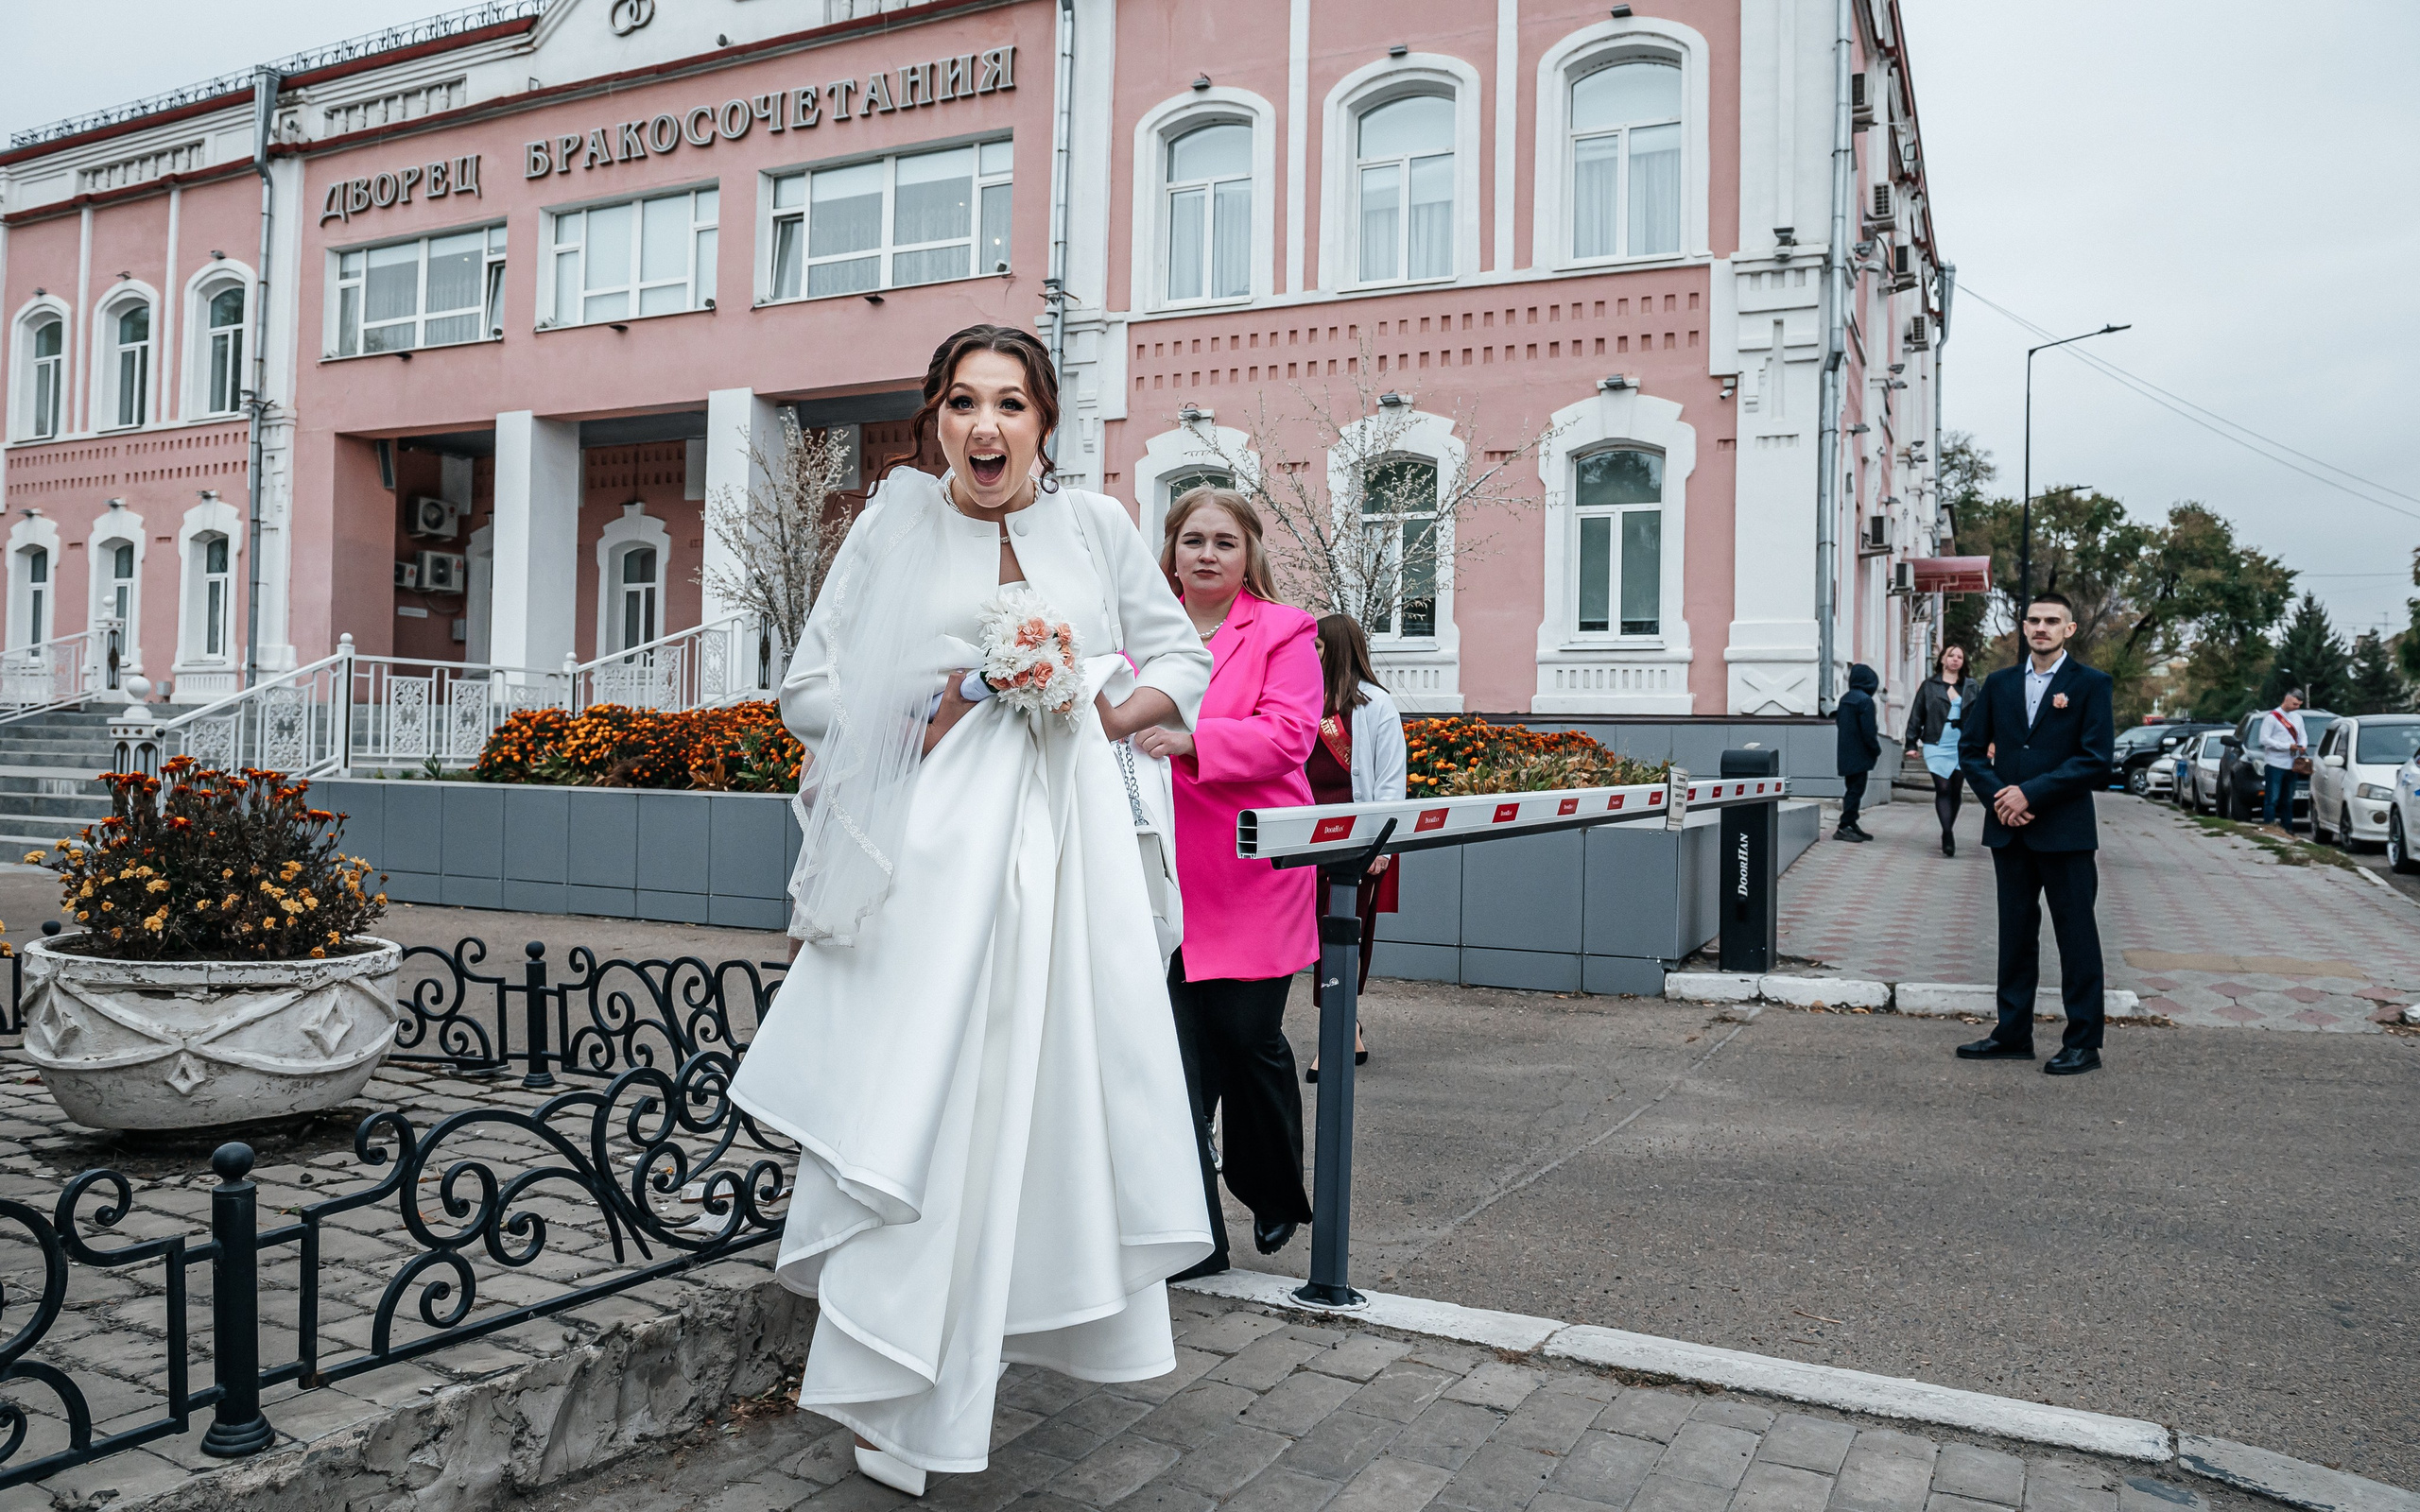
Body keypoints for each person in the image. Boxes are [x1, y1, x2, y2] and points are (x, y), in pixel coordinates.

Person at [728, 325, 1216, 1497]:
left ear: (1046, 419)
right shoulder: (891, 529)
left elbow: (1179, 661)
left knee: (1038, 1105)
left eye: (1008, 403)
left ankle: (992, 1345)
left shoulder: (1095, 528)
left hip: (1071, 857)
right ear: (934, 420)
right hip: (929, 865)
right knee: (928, 1106)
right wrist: (951, 691)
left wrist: (1087, 710)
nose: (984, 427)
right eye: (960, 404)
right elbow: (807, 692)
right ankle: (904, 1396)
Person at [1129, 488, 1322, 1279]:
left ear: (1249, 556)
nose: (1207, 554)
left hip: (1250, 870)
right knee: (1177, 1061)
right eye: (1193, 540)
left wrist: (1189, 740)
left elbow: (1288, 734)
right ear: (1170, 551)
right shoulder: (1137, 634)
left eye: (1224, 542)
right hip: (1160, 875)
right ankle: (1196, 1238)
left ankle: (1272, 1188)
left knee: (1247, 1040)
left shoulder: (1285, 630)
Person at [1954, 591, 2116, 1076]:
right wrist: (2002, 797)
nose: (2040, 627)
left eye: (2052, 621)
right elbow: (1969, 749)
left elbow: (2095, 759)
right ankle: (2012, 1033)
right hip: (2010, 831)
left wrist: (2032, 794)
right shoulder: (1998, 685)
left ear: (2069, 630)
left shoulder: (2090, 684)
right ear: (2023, 628)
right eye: (2033, 620)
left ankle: (2083, 1042)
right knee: (2016, 935)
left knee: (2076, 936)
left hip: (2065, 832)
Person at [1303, 612, 1407, 1083]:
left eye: (1319, 647)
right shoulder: (1302, 703)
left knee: (1344, 939)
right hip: (1303, 844)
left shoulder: (1376, 706)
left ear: (1338, 649)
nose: (1311, 655)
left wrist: (1381, 845)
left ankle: (1336, 1033)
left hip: (1356, 845)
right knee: (1311, 941)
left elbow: (1389, 782)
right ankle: (1349, 1025)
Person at [1907, 644, 1973, 857]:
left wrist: (1988, 742)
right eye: (1951, 655)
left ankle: (1948, 827)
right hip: (1936, 742)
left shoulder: (1970, 686)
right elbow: (1917, 714)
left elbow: (1982, 716)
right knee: (1943, 788)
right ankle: (1947, 833)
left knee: (1956, 789)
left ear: (1963, 662)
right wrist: (1910, 743)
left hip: (1962, 744)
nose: (1955, 659)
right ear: (1943, 659)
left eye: (1959, 657)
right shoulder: (1930, 685)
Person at [1834, 662, 1882, 841]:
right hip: (1860, 754)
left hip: (1846, 752)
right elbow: (1868, 731)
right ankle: (1845, 826)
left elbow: (1840, 722)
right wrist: (1875, 749)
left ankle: (1851, 823)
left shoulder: (1845, 699)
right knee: (1856, 791)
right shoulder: (1865, 701)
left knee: (1851, 789)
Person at [2258, 687, 2310, 835]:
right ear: (2287, 698)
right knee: (2272, 799)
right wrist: (2286, 746)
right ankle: (2269, 827)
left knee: (2288, 799)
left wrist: (2302, 745)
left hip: (2291, 764)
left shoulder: (2298, 718)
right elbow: (2264, 740)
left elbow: (2303, 735)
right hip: (2275, 763)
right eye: (2294, 704)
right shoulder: (2272, 718)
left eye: (2299, 705)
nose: (2296, 707)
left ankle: (2287, 828)